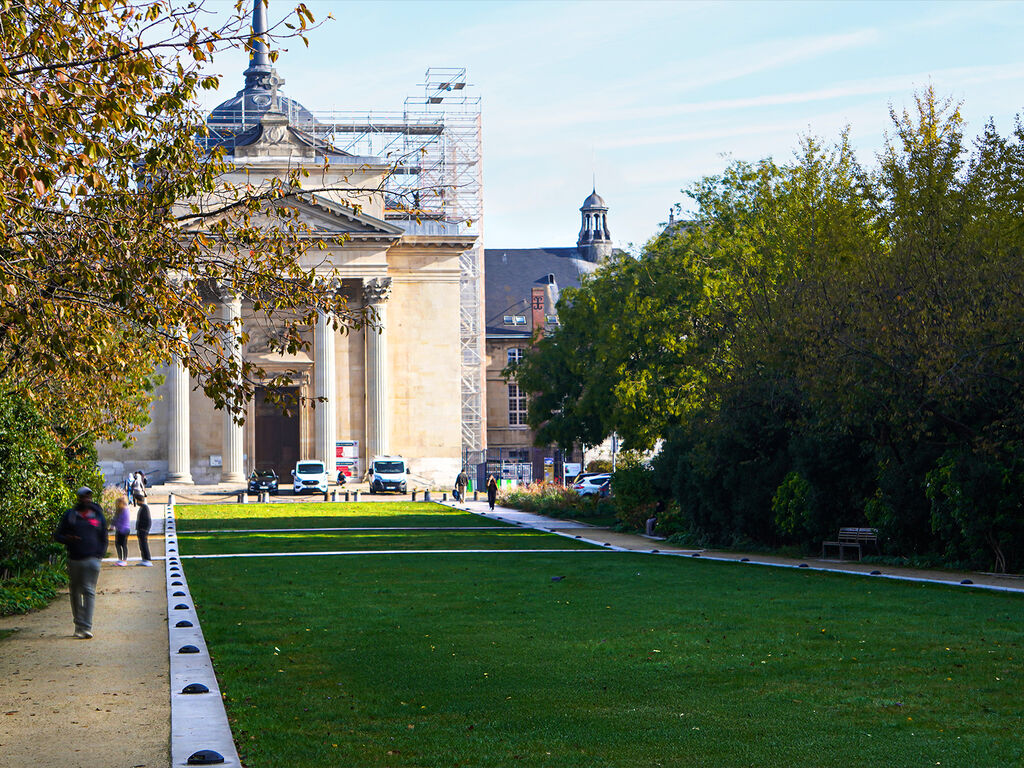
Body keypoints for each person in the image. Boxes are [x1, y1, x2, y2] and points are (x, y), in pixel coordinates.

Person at [54, 487, 107, 639]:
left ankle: (86, 626)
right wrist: (68, 539)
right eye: (83, 497)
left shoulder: (98, 515)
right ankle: (78, 624)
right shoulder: (70, 515)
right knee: (76, 592)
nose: (86, 499)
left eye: (89, 496)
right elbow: (58, 535)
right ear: (78, 498)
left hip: (92, 559)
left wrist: (99, 555)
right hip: (74, 558)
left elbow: (104, 536)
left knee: (89, 591)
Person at [112, 496, 130, 565]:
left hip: (123, 530)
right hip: (120, 530)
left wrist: (115, 525)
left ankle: (124, 560)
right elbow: (115, 519)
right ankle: (120, 559)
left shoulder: (124, 510)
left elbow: (120, 521)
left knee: (123, 544)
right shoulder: (120, 510)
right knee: (118, 544)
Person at [135, 500, 153, 566]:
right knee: (142, 545)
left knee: (144, 545)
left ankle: (147, 558)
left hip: (143, 530)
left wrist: (145, 530)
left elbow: (147, 520)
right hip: (141, 530)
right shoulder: (143, 508)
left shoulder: (144, 508)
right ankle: (144, 558)